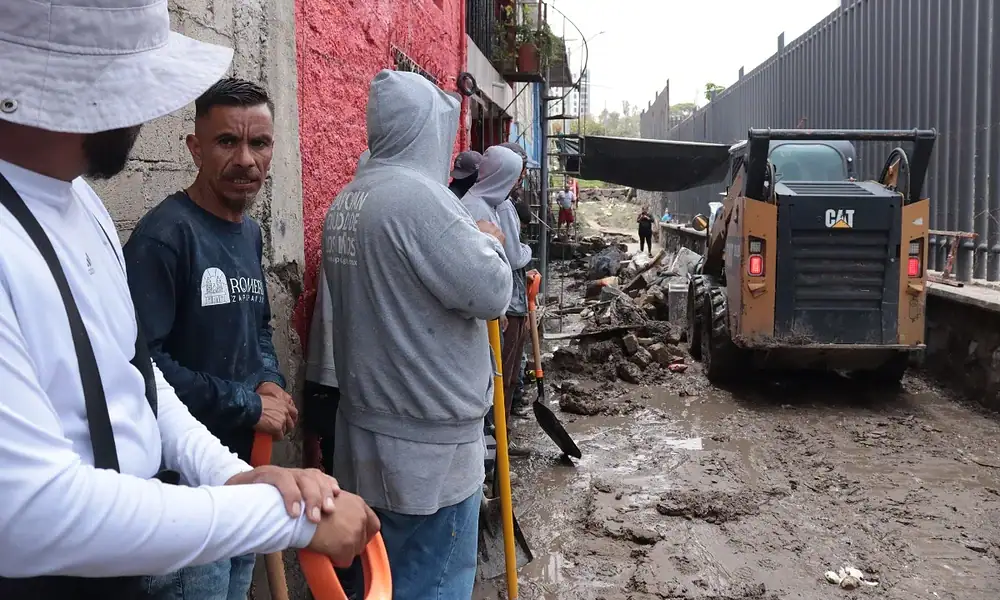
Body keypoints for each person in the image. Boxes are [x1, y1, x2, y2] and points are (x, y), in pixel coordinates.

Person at [0, 1, 379, 597]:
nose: (145, 104)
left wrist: (238, 476)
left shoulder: (85, 207)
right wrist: (284, 517)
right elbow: (27, 512)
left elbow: (139, 378)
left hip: (155, 537)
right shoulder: (152, 234)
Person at [323, 70, 512, 600]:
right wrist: (489, 240)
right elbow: (492, 290)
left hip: (367, 436)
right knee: (432, 580)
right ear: (424, 129)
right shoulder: (419, 202)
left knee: (376, 581)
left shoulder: (348, 199)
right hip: (429, 454)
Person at [121, 78, 296, 600]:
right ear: (195, 146)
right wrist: (247, 404)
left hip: (245, 476)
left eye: (259, 143)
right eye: (227, 142)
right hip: (186, 503)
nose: (246, 159)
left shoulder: (248, 231)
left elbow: (258, 326)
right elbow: (139, 369)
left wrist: (269, 381)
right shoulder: (164, 238)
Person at [494, 142, 538, 433]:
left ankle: (501, 436)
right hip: (508, 304)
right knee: (506, 376)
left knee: (509, 375)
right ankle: (501, 439)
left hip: (508, 301)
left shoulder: (493, 203)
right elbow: (512, 256)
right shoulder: (504, 207)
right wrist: (527, 252)